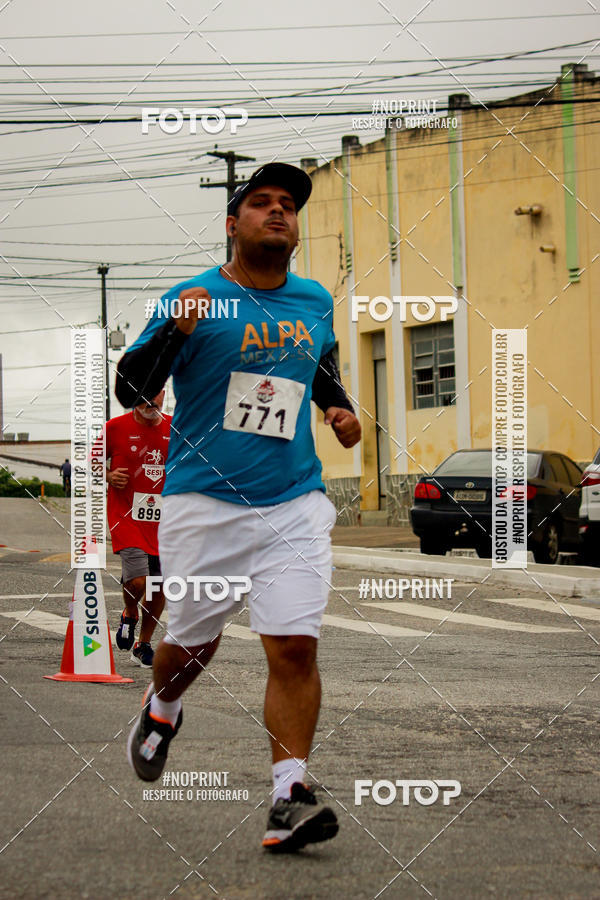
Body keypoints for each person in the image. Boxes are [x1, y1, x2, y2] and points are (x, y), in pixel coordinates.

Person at [116, 162, 361, 852]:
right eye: (261, 203)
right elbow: (130, 384)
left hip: (294, 501)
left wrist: (338, 407)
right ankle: (163, 708)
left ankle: (289, 795)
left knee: (294, 646)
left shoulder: (313, 299)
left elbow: (320, 368)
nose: (278, 212)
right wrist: (175, 333)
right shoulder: (194, 296)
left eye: (288, 204)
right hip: (203, 501)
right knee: (193, 643)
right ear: (234, 225)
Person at [104, 390, 172, 667]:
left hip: (166, 521)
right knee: (137, 582)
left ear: (163, 395)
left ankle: (143, 644)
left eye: (155, 395)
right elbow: (88, 460)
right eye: (144, 395)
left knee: (159, 587)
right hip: (128, 517)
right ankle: (130, 611)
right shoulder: (115, 428)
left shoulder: (175, 427)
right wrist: (107, 474)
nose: (150, 402)